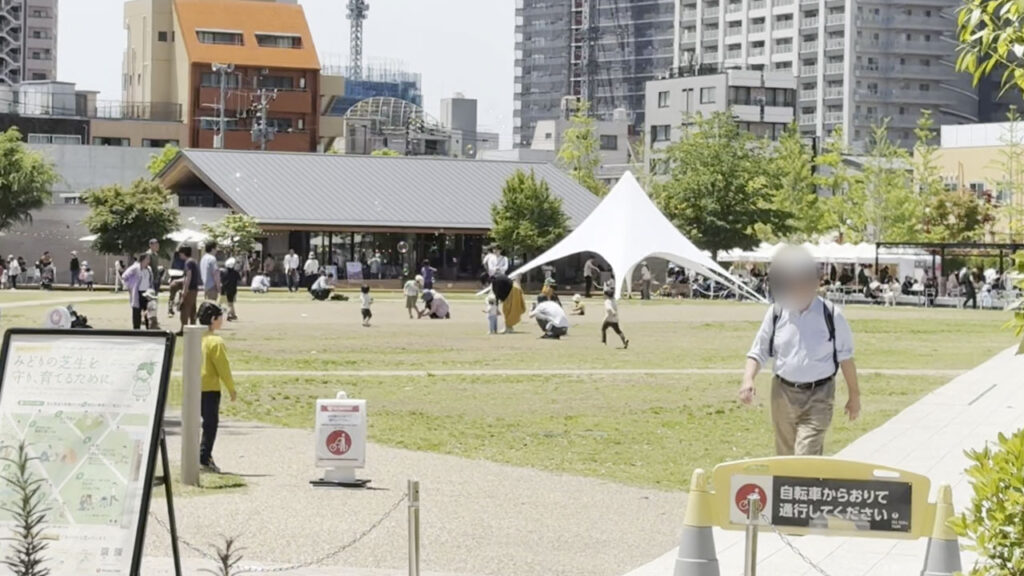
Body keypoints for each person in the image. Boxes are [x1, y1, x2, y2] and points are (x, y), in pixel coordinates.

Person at [740, 245, 860, 456]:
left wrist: (854, 396)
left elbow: (846, 358)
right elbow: (758, 351)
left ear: (816, 283)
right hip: (782, 392)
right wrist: (748, 380)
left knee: (805, 452)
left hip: (820, 393)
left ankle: (804, 482)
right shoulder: (777, 312)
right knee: (785, 454)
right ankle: (794, 488)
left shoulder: (831, 314)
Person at [198, 302, 237, 474]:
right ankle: (204, 457)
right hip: (210, 388)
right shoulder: (216, 342)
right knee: (210, 424)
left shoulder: (195, 338)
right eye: (220, 316)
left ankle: (197, 456)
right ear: (213, 319)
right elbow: (223, 367)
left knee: (195, 423)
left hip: (194, 386)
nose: (222, 320)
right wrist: (231, 388)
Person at [122, 252, 153, 330]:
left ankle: (148, 328)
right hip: (138, 292)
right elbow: (125, 276)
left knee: (148, 311)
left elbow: (150, 280)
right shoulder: (135, 268)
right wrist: (130, 286)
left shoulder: (149, 269)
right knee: (136, 311)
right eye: (147, 259)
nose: (149, 261)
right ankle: (136, 329)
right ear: (142, 260)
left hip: (147, 293)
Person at [180, 246, 200, 333]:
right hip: (194, 288)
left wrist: (185, 290)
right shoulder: (194, 261)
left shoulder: (188, 262)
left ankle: (184, 328)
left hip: (190, 289)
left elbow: (188, 276)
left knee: (185, 308)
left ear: (183, 253)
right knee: (192, 309)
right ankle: (192, 327)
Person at [167, 249, 186, 317]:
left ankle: (170, 309)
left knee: (172, 296)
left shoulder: (174, 260)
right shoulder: (183, 261)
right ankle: (179, 306)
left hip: (174, 279)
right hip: (180, 279)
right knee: (181, 293)